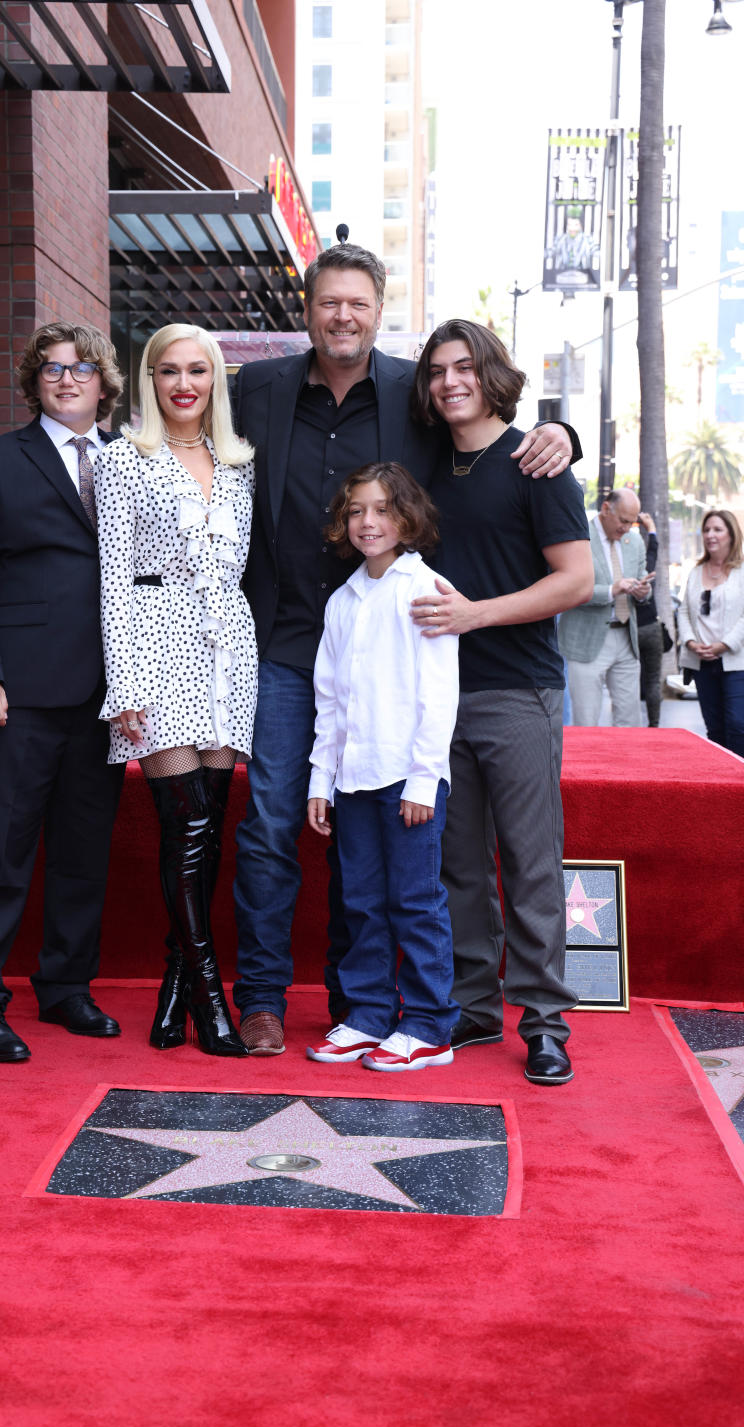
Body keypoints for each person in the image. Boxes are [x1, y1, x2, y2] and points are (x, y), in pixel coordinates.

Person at [229, 242, 579, 1058]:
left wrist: (560, 433)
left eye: (357, 303)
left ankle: (418, 1006)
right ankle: (272, 999)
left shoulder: (411, 392)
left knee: (407, 838)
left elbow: (487, 438)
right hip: (292, 643)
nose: (341, 316)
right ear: (306, 308)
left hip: (403, 651)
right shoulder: (258, 389)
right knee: (284, 824)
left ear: (378, 309)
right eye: (327, 303)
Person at [411, 319, 593, 1085]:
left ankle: (546, 1021)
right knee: (456, 866)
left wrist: (478, 613)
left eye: (465, 367)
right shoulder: (423, 465)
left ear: (492, 374)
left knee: (529, 861)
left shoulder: (537, 462)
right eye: (438, 371)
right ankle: (475, 1004)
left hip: (517, 688)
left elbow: (577, 581)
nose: (452, 381)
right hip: (433, 697)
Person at [0, 322, 126, 1062]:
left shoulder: (127, 463)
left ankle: (66, 987)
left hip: (108, 695)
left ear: (104, 383)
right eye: (52, 369)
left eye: (82, 368)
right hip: (15, 690)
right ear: (33, 382)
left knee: (83, 849)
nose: (68, 379)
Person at [95, 324, 256, 1057]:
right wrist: (124, 678)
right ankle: (210, 999)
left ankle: (171, 992)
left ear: (216, 379)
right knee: (185, 827)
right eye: (169, 371)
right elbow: (114, 580)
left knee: (206, 834)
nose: (184, 383)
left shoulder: (238, 464)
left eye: (198, 370)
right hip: (156, 646)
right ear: (149, 379)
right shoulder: (125, 461)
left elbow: (240, 569)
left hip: (228, 648)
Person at [305, 463, 460, 1071]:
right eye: (356, 511)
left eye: (382, 510)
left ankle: (428, 1024)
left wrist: (424, 777)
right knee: (361, 901)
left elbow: (438, 694)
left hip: (407, 777)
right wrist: (322, 777)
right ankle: (368, 1015)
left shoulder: (425, 590)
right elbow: (330, 697)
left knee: (415, 900)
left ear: (407, 518)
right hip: (352, 778)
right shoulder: (344, 599)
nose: (368, 522)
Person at [559, 489, 653, 727]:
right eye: (623, 521)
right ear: (605, 509)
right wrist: (613, 589)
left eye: (632, 523)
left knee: (630, 721)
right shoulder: (578, 538)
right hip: (585, 639)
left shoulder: (635, 541)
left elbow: (641, 577)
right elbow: (567, 588)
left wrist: (643, 592)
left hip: (625, 638)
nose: (626, 528)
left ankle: (628, 764)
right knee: (586, 721)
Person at [677, 508, 744, 758]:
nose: (710, 535)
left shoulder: (742, 570)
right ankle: (721, 788)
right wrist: (691, 642)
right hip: (701, 663)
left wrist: (724, 645)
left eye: (717, 529)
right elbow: (683, 611)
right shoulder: (696, 571)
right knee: (714, 730)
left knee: (738, 726)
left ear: (731, 534)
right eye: (706, 530)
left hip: (736, 663)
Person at [634, 510, 665, 727]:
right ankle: (654, 725)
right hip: (652, 626)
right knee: (653, 680)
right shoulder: (647, 569)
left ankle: (633, 723)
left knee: (629, 678)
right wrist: (651, 529)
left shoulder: (626, 571)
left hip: (632, 629)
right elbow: (653, 550)